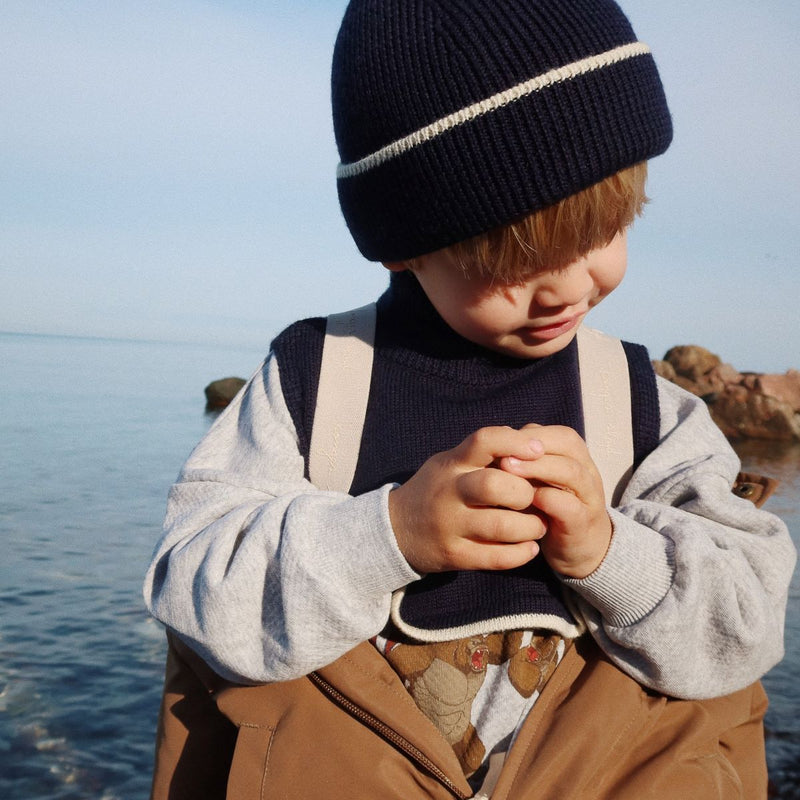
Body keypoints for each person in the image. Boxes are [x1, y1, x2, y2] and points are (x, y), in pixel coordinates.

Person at [143, 1, 795, 798]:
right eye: (516, 256)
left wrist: (609, 553)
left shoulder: (646, 410)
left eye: (602, 230)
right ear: (407, 244)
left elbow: (747, 622)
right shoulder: (316, 383)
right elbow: (192, 580)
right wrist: (389, 532)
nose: (567, 285)